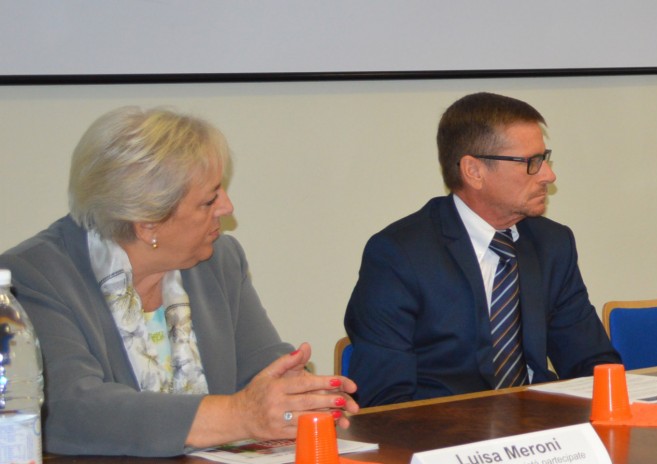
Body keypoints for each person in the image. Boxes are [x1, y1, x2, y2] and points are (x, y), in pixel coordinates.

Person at [0, 107, 359, 457]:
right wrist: (238, 415)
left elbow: (261, 368)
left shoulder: (218, 259)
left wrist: (296, 394)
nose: (227, 207)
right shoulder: (34, 275)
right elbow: (68, 409)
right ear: (148, 223)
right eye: (209, 200)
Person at [344, 92, 620, 406]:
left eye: (545, 158)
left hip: (541, 424)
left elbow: (593, 364)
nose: (549, 175)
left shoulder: (552, 243)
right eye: (531, 162)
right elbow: (383, 400)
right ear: (474, 171)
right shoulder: (399, 255)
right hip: (445, 430)